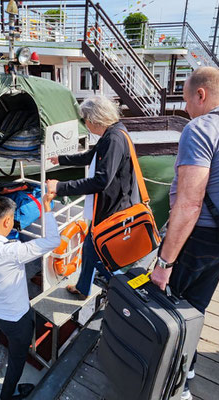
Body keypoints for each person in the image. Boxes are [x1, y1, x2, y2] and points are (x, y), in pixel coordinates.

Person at [149, 66, 219, 400]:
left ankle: (172, 384)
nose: (186, 109)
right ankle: (187, 367)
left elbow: (189, 205)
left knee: (169, 310)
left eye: (186, 101)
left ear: (200, 94)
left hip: (198, 238)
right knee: (197, 306)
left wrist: (164, 263)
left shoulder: (201, 129)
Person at [0, 194, 60, 400]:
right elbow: (53, 240)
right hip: (17, 319)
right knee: (17, 358)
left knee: (13, 339)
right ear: (7, 221)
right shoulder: (13, 251)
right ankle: (7, 395)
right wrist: (47, 206)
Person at [46, 95, 138, 299]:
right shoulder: (113, 133)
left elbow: (100, 181)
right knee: (90, 248)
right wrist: (61, 159)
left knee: (96, 251)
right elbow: (90, 156)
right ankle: (84, 287)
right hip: (109, 205)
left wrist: (59, 187)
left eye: (85, 120)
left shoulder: (113, 139)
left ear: (95, 119)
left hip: (111, 209)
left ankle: (124, 291)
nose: (85, 124)